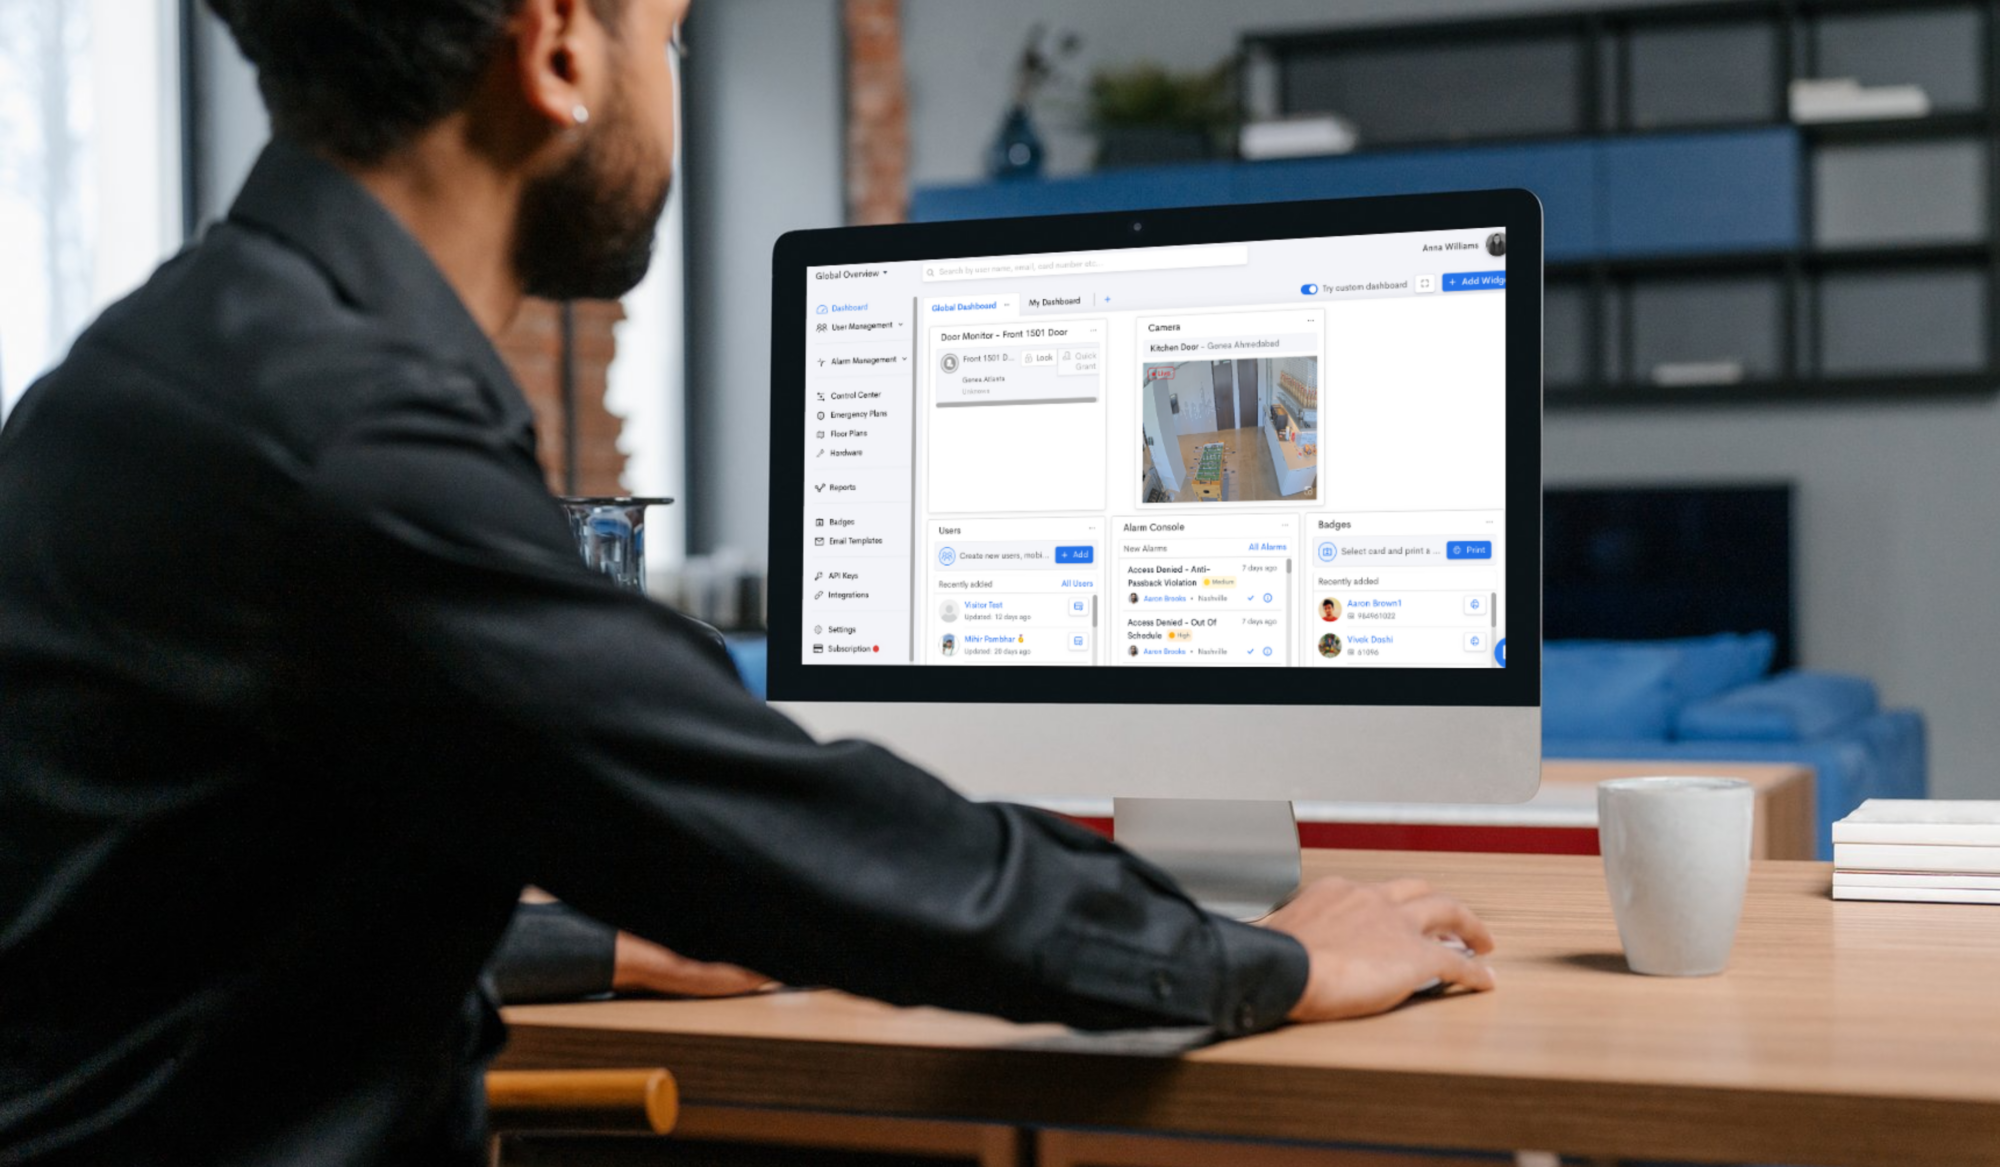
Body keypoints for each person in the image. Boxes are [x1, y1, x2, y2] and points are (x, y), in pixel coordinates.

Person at [0, 0, 1495, 1163]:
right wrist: (1267, 959)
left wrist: (606, 940)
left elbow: (184, 928)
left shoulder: (151, 378)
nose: (676, 82)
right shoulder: (349, 448)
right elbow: (816, 846)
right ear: (560, 50)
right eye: (673, 37)